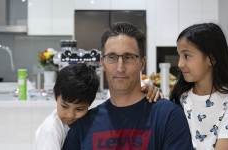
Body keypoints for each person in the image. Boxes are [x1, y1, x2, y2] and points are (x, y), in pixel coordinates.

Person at [62, 22, 193, 150]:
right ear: (102, 63)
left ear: (142, 63)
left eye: (128, 57)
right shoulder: (83, 126)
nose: (120, 67)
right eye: (112, 57)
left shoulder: (168, 117)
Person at [34, 63, 162, 150]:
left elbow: (120, 98)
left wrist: (148, 88)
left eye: (79, 109)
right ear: (56, 97)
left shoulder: (92, 119)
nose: (70, 115)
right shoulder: (51, 130)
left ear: (89, 104)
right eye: (64, 106)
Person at [170, 23, 228, 150]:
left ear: (211, 59)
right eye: (179, 55)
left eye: (186, 56)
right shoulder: (181, 97)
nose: (180, 64)